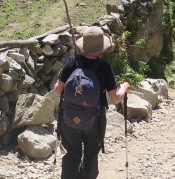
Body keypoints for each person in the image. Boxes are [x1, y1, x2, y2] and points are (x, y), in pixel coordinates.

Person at [54, 26, 130, 179]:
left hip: (69, 119)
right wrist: (125, 87)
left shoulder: (72, 62)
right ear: (101, 48)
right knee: (90, 155)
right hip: (94, 120)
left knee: (72, 154)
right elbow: (115, 98)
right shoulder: (104, 68)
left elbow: (57, 90)